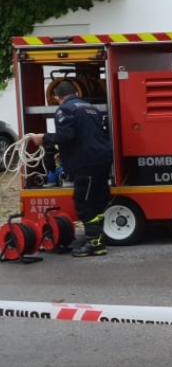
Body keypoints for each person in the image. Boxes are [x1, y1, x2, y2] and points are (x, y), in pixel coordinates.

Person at [29, 80, 113, 257]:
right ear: (76, 92)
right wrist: (65, 153)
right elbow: (88, 135)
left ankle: (94, 244)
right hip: (102, 160)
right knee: (97, 201)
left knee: (84, 202)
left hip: (86, 164)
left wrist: (43, 137)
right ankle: (97, 239)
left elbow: (67, 134)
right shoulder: (91, 108)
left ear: (58, 97)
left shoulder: (65, 109)